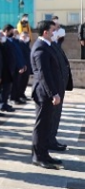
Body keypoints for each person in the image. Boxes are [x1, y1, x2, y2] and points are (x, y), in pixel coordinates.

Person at [30, 20, 63, 169]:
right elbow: (44, 75)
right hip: (43, 93)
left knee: (46, 124)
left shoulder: (46, 46)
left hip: (47, 93)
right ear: (45, 32)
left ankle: (44, 154)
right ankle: (38, 156)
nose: (55, 33)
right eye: (53, 30)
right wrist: (53, 93)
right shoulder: (40, 48)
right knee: (41, 125)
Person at [49, 28, 72, 152]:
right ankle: (49, 140)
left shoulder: (56, 45)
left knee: (56, 116)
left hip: (60, 86)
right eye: (53, 30)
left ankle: (52, 139)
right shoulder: (48, 47)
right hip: (55, 88)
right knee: (52, 116)